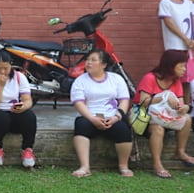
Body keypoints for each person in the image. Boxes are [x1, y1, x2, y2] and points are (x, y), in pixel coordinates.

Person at [69, 49, 132, 178]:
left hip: (112, 116)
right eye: (87, 60)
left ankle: (123, 166)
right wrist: (92, 119)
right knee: (81, 125)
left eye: (93, 60)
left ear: (103, 64)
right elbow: (79, 103)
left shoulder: (116, 79)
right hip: (89, 116)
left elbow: (124, 100)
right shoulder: (80, 81)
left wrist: (117, 117)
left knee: (123, 129)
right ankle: (85, 167)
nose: (88, 63)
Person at [135, 49, 194, 178]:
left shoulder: (176, 81)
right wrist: (164, 97)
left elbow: (180, 103)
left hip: (166, 116)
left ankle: (180, 152)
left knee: (187, 119)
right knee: (158, 129)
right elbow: (143, 102)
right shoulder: (150, 78)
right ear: (171, 65)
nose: (184, 69)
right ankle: (157, 165)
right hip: (145, 118)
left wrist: (183, 108)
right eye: (181, 66)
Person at [0, 50, 37, 168]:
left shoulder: (20, 77)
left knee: (30, 116)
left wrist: (22, 107)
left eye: (6, 68)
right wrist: (0, 86)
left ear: (11, 65)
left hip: (14, 113)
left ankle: (27, 149)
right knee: (1, 117)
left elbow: (28, 100)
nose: (2, 71)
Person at [159, 0, 194, 104]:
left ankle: (186, 105)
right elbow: (169, 23)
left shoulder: (189, 3)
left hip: (188, 47)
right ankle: (172, 104)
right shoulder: (166, 3)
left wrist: (191, 40)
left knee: (186, 78)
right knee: (173, 76)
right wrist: (185, 38)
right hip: (175, 46)